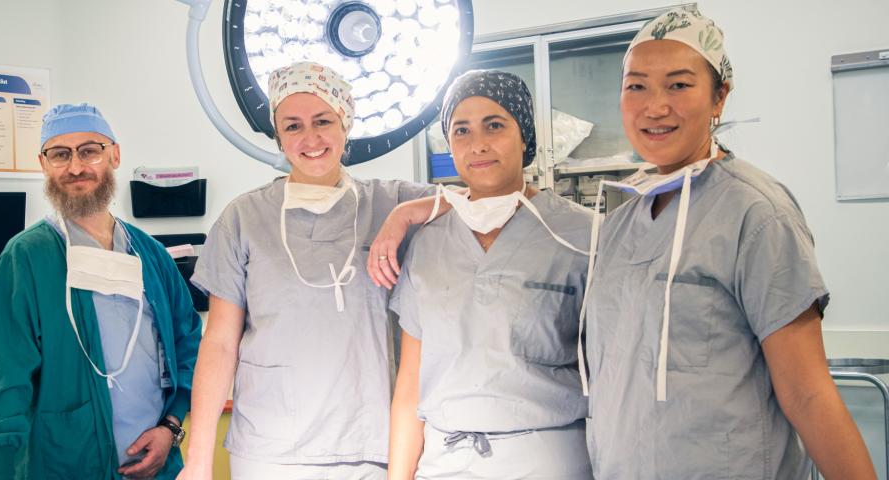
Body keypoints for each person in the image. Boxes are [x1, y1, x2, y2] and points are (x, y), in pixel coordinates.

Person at [577, 6, 875, 479]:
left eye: (678, 84)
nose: (655, 106)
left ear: (719, 98)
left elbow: (808, 394)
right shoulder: (620, 221)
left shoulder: (756, 213)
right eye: (636, 85)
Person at [180, 61, 437, 479]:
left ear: (346, 124)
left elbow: (471, 203)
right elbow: (221, 343)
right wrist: (198, 460)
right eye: (293, 126)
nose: (310, 138)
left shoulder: (389, 202)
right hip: (270, 450)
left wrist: (407, 214)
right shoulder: (243, 218)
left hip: (368, 444)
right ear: (278, 136)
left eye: (323, 121)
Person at [0, 103, 203, 479]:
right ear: (43, 164)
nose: (76, 167)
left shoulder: (151, 255)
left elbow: (188, 343)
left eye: (89, 151)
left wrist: (171, 428)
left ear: (114, 155)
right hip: (64, 465)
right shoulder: (28, 258)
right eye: (60, 154)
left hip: (155, 466)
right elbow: (3, 377)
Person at [382, 70, 595, 480]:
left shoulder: (580, 235)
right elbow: (410, 387)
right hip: (444, 461)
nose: (477, 144)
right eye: (461, 130)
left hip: (548, 460)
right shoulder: (428, 242)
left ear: (525, 136)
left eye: (494, 125)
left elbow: (611, 373)